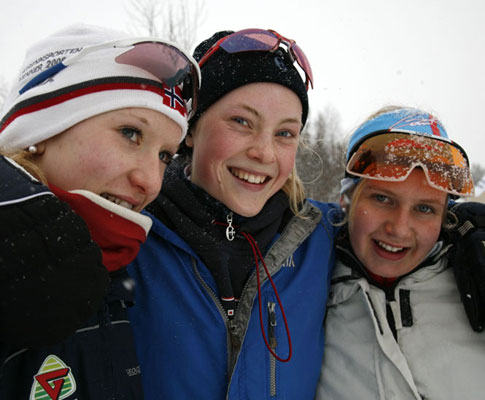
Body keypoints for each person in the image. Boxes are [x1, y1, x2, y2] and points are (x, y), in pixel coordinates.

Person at [127, 29, 339, 399]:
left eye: (285, 133)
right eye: (242, 122)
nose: (264, 152)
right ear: (190, 130)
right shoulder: (130, 232)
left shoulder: (323, 238)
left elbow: (406, 229)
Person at [0, 23, 199, 399]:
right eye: (130, 133)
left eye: (164, 156)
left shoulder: (111, 262)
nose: (150, 182)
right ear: (41, 129)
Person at [315, 106, 485, 400]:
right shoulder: (306, 288)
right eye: (382, 198)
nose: (400, 229)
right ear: (347, 199)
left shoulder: (474, 282)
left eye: (424, 208)